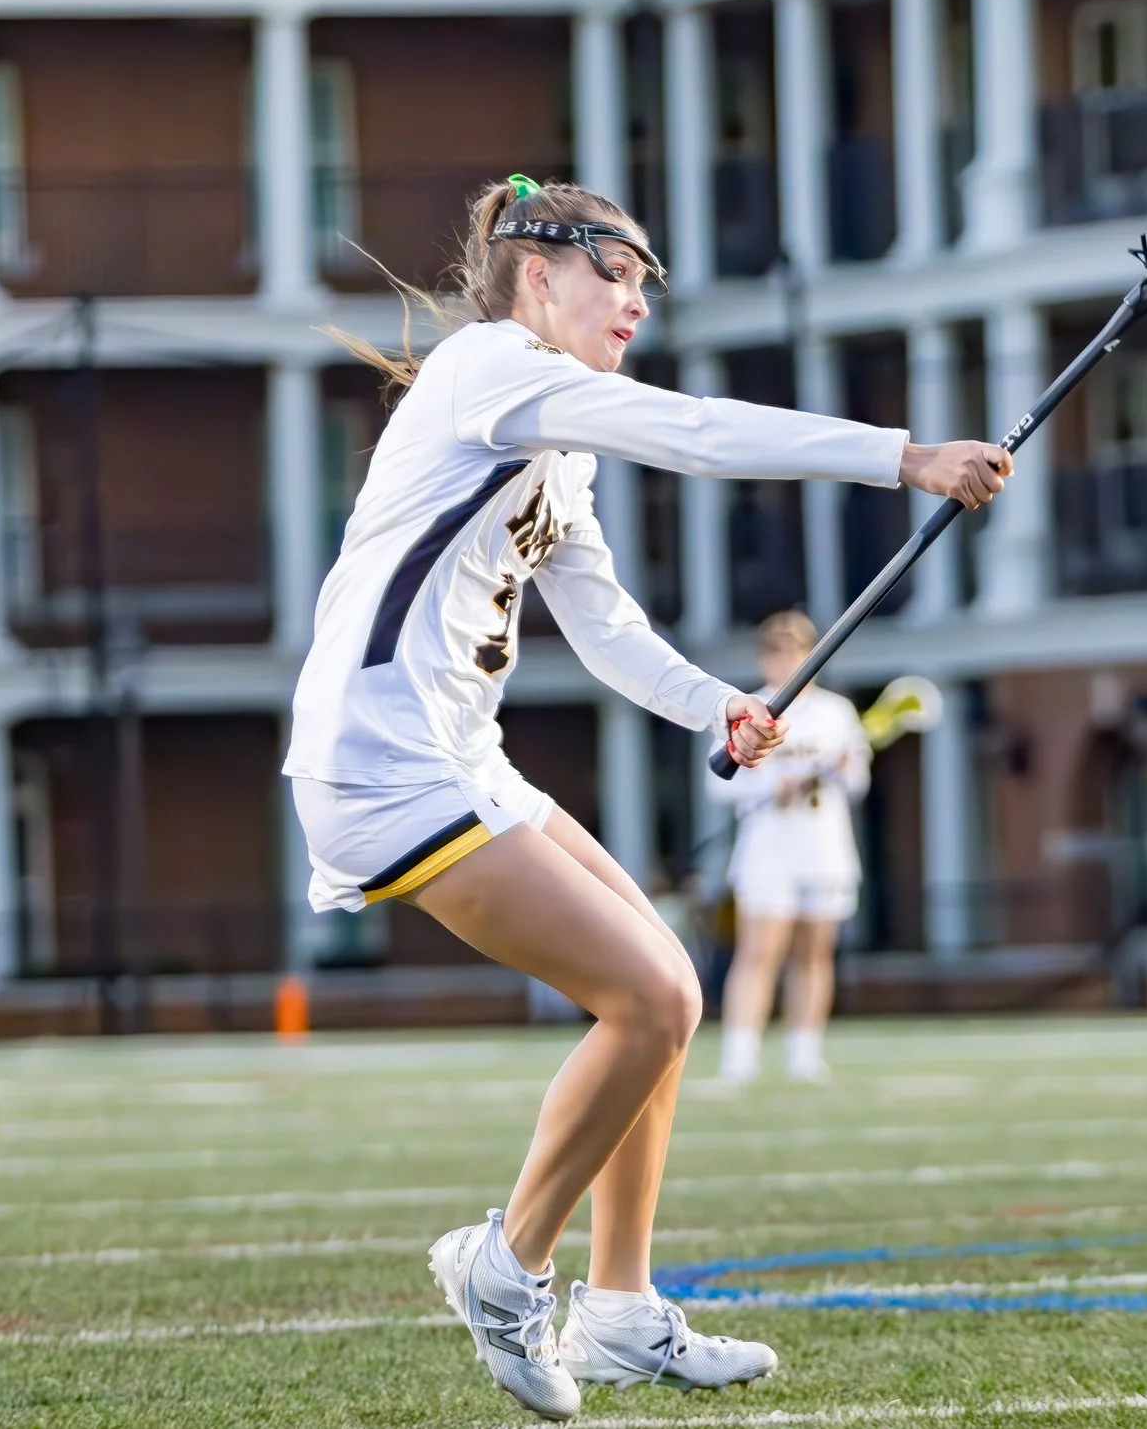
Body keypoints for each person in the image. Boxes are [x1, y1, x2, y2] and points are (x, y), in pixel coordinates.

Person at [283, 175, 1010, 1419]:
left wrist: (713, 703)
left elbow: (604, 622)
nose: (633, 303)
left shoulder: (557, 440)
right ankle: (504, 1263)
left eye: (643, 285)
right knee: (658, 995)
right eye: (613, 275)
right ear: (535, 275)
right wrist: (906, 458)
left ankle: (617, 1312)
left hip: (461, 753)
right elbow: (702, 431)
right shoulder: (487, 368)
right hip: (381, 760)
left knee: (660, 987)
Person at [709, 609, 871, 1085]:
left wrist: (842, 766)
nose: (785, 659)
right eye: (775, 649)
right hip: (768, 852)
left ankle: (805, 1053)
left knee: (815, 953)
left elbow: (856, 781)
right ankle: (740, 1056)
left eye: (796, 649)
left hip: (824, 849)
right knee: (759, 952)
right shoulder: (748, 709)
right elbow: (720, 782)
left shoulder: (836, 713)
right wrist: (766, 789)